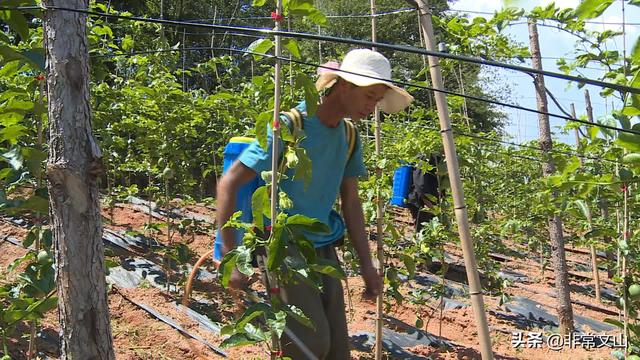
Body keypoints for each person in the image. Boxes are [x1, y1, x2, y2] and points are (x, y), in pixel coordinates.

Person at [216, 48, 413, 359]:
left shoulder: (348, 136)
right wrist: (231, 259)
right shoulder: (291, 124)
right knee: (308, 345)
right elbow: (229, 182)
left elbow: (351, 203)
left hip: (323, 247)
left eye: (377, 101)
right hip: (285, 246)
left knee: (336, 351)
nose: (372, 107)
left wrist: (367, 265)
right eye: (370, 96)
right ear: (345, 85)